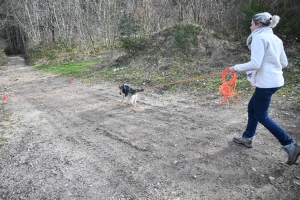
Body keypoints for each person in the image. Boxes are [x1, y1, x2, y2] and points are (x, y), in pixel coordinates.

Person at [228, 12, 300, 165]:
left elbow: (255, 63)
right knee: (252, 108)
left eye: (252, 23)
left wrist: (235, 68)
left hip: (266, 83)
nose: (250, 26)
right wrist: (271, 68)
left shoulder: (259, 38)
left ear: (259, 24)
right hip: (275, 81)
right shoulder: (275, 38)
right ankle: (247, 138)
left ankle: (290, 144)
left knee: (261, 115)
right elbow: (284, 63)